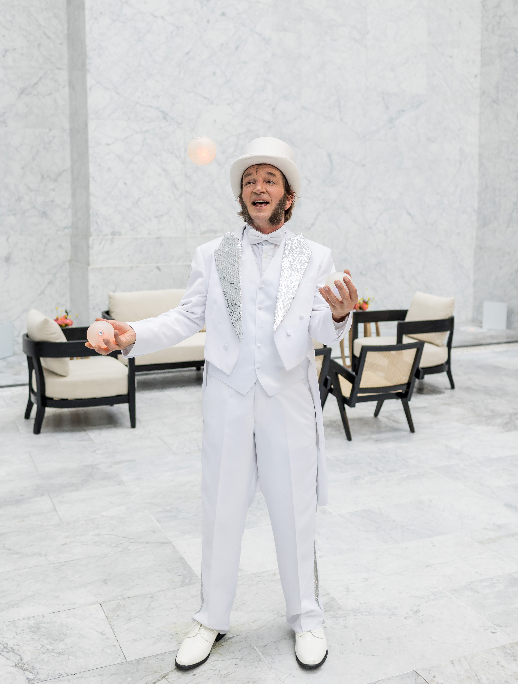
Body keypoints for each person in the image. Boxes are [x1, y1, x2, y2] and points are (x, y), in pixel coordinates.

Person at [87, 137, 357, 671]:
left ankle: (306, 616)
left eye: (269, 179)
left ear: (288, 195)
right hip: (229, 401)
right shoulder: (213, 255)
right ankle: (212, 616)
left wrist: (342, 316)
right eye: (249, 180)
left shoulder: (315, 255)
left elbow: (319, 327)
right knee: (221, 512)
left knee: (294, 513)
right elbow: (186, 317)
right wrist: (130, 334)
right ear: (241, 194)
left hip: (289, 403)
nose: (258, 187)